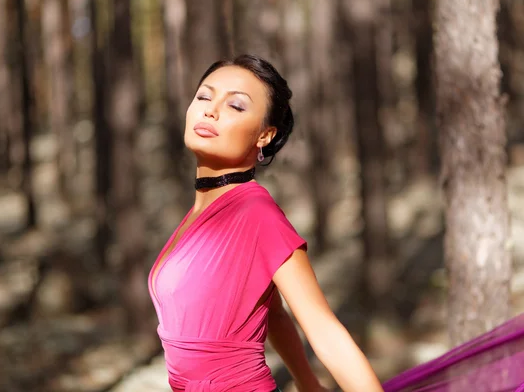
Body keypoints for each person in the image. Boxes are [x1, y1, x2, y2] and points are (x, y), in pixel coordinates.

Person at [148, 54, 385, 392]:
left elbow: (324, 330)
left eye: (237, 106)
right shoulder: (198, 215)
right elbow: (271, 312)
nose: (210, 110)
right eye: (204, 96)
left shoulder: (256, 213)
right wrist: (308, 383)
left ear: (265, 135)